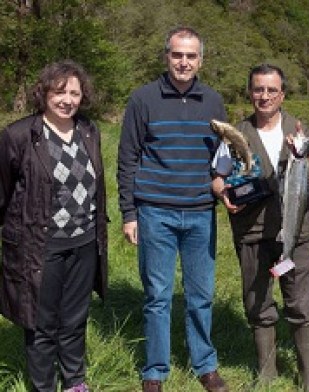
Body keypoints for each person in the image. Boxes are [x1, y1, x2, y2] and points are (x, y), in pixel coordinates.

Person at [117, 27, 228, 392]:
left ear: (201, 59)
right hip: (155, 213)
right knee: (157, 297)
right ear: (166, 56)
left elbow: (221, 156)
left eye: (191, 56)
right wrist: (129, 214)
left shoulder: (213, 101)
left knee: (201, 295)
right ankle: (155, 370)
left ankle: (205, 364)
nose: (184, 62)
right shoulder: (143, 99)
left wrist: (224, 178)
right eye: (177, 55)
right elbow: (128, 158)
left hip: (200, 212)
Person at [0, 60, 108, 392]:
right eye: (59, 92)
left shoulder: (89, 130)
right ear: (44, 93)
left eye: (75, 93)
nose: (67, 100)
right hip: (40, 245)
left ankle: (75, 382)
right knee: (42, 324)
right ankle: (43, 386)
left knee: (74, 320)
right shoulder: (19, 135)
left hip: (84, 242)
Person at [212, 64, 309, 391]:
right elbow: (218, 177)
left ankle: (308, 378)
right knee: (257, 304)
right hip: (252, 232)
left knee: (299, 305)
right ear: (250, 92)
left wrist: (302, 155)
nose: (265, 96)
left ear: (282, 94)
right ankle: (267, 375)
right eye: (259, 89)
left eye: (272, 90)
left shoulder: (298, 130)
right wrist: (224, 195)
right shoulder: (236, 133)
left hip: (294, 233)